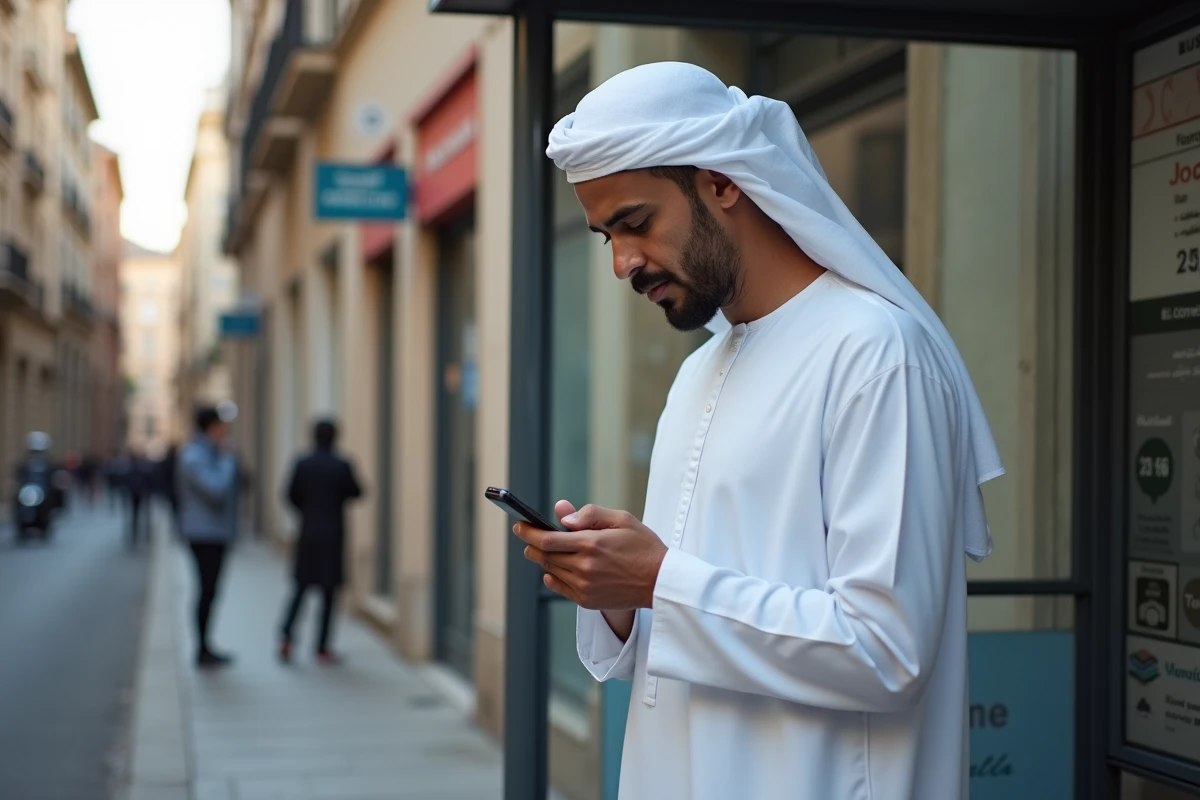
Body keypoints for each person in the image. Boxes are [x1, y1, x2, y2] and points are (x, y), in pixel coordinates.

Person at [513, 62, 1004, 800]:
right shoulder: (700, 372)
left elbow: (887, 650)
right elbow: (692, 628)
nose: (622, 264)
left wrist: (658, 578)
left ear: (722, 182)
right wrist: (617, 595)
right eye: (603, 237)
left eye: (636, 223)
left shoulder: (874, 353)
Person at [278, 419, 363, 664]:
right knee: (328, 593)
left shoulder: (302, 464)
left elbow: (290, 495)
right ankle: (322, 647)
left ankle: (286, 637)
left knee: (300, 588)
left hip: (308, 532)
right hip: (333, 534)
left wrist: (307, 511)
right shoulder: (341, 464)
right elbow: (357, 492)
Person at [177, 406, 240, 668]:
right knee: (206, 591)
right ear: (212, 427)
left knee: (210, 591)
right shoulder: (196, 456)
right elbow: (216, 490)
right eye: (221, 425)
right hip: (205, 535)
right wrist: (228, 460)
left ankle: (205, 645)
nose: (225, 430)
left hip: (213, 533)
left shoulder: (206, 452)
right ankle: (201, 649)